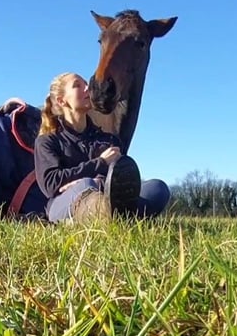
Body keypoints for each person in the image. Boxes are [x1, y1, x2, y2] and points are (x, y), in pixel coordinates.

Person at [33, 71, 171, 224]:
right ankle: (120, 216)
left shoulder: (108, 139)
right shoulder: (48, 140)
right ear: (62, 101)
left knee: (157, 188)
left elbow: (120, 179)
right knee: (86, 185)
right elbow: (51, 184)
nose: (87, 88)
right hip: (63, 205)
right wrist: (100, 164)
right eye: (77, 86)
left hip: (103, 192)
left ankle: (114, 215)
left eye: (86, 84)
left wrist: (99, 179)